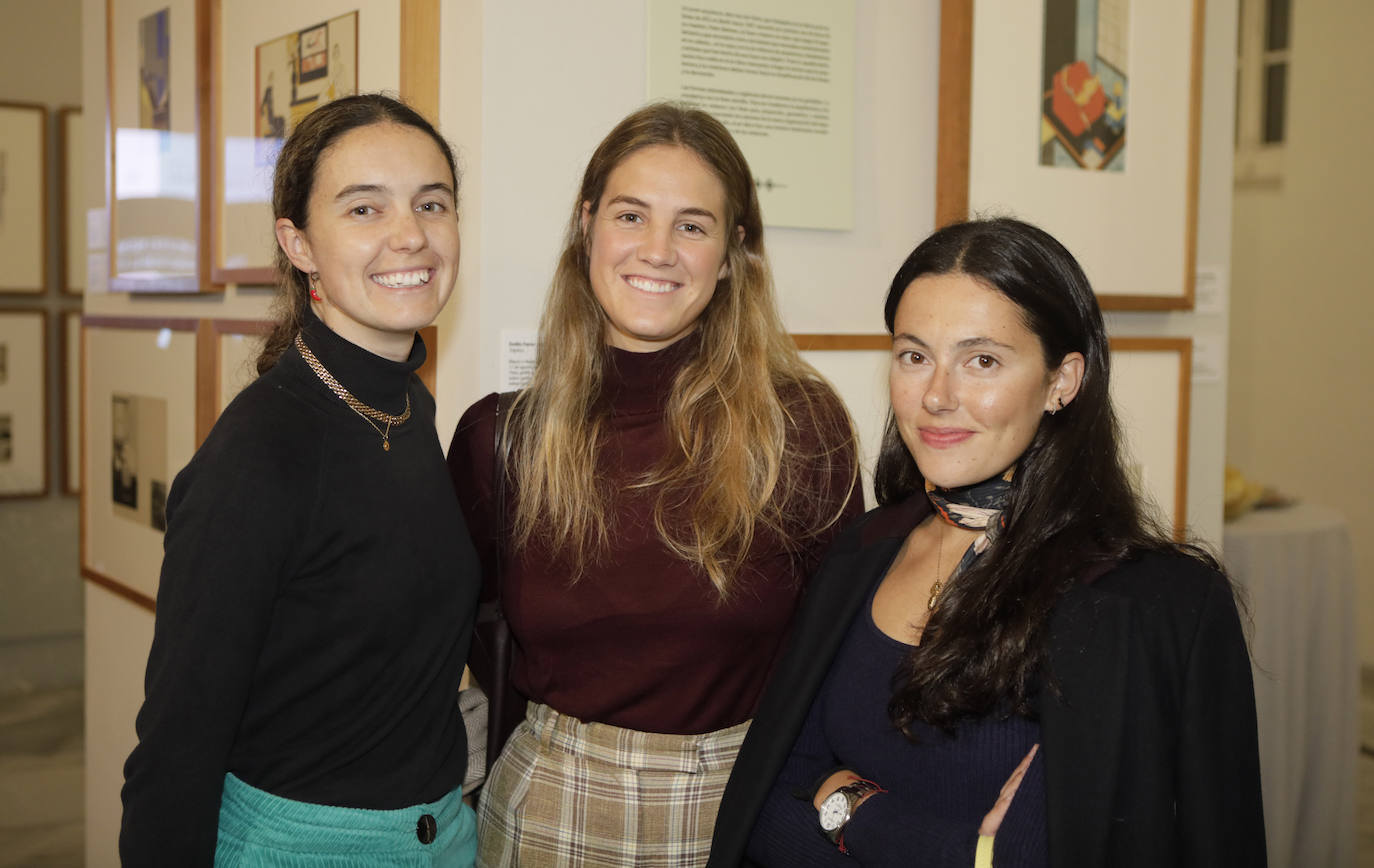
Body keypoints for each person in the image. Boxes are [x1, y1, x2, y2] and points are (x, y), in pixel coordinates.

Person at [707, 217, 1266, 867]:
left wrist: (850, 805)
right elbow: (766, 811)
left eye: (982, 361)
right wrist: (956, 848)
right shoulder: (861, 551)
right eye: (915, 356)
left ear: (1063, 380)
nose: (938, 396)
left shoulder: (1150, 605)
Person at [446, 102, 863, 867]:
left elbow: (839, 652)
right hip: (550, 810)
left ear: (733, 252)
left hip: (740, 808)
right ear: (587, 225)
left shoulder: (799, 428)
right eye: (632, 215)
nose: (659, 250)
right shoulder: (501, 439)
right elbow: (455, 632)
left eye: (693, 225)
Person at [120, 94, 481, 866]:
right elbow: (177, 744)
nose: (409, 234)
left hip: (439, 836)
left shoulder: (407, 405)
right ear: (300, 243)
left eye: (432, 203)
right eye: (363, 208)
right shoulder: (262, 452)